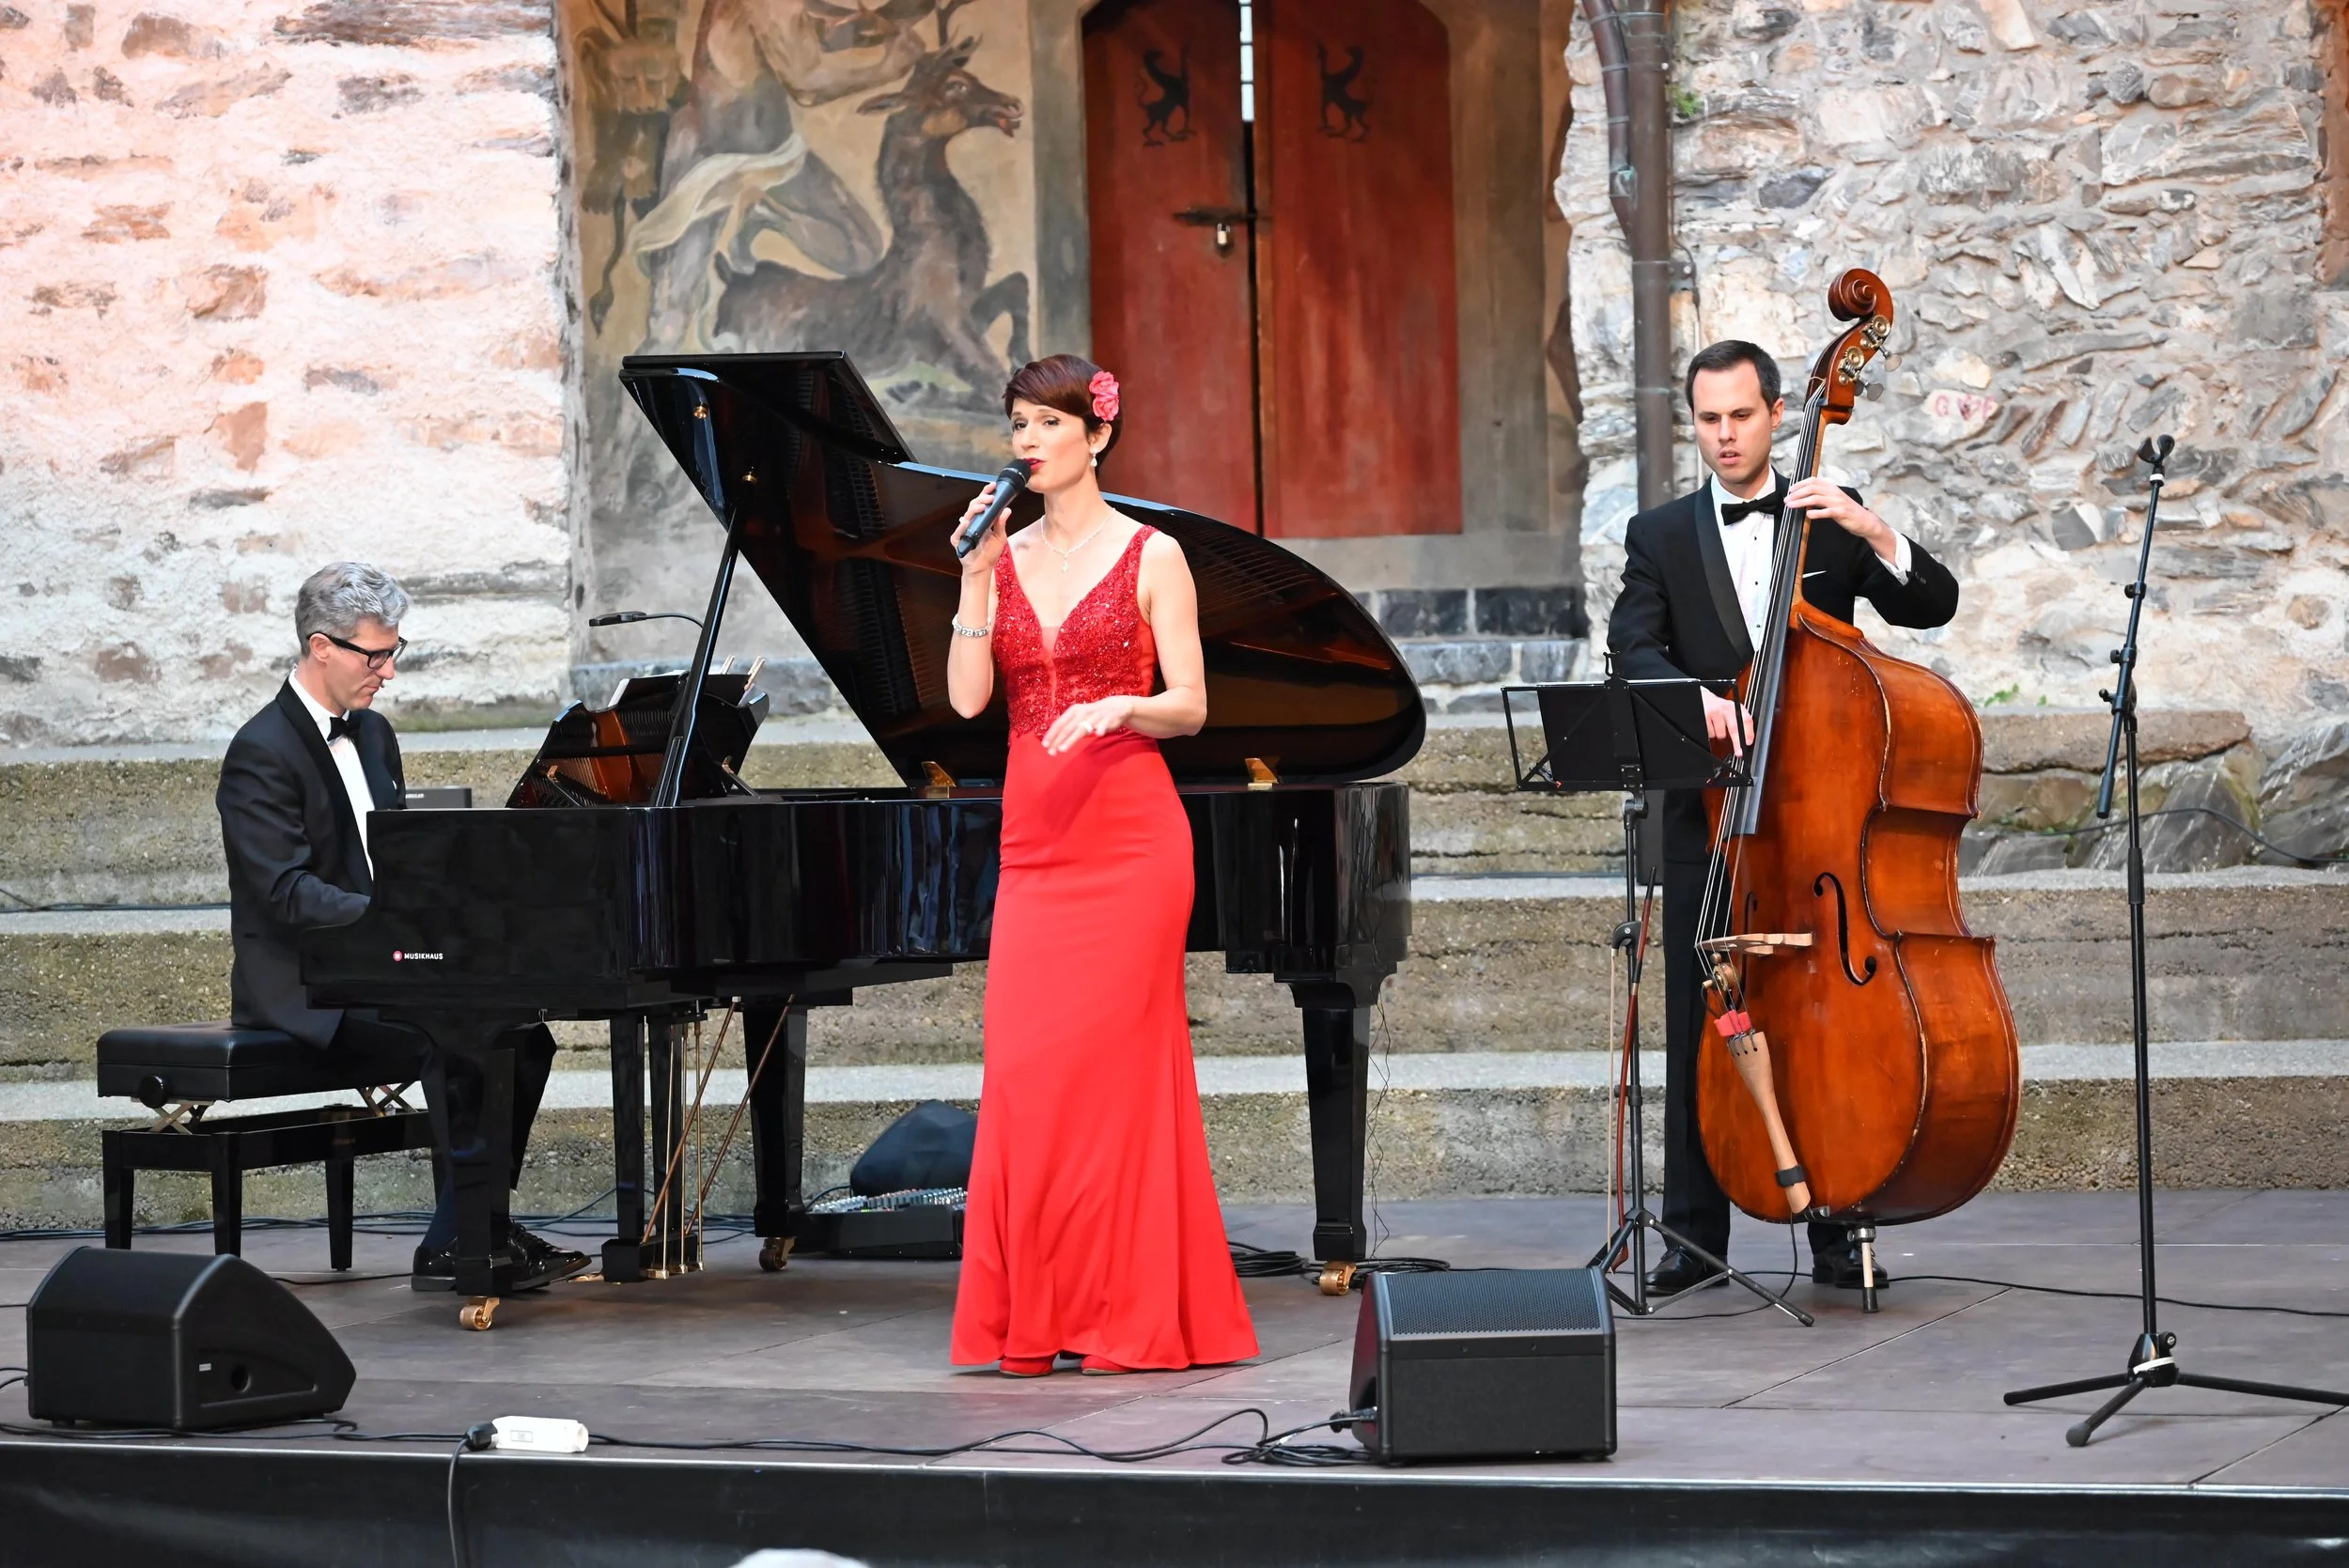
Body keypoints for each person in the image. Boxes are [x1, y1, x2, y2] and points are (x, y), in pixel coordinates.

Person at [1607, 340, 1961, 1296]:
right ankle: (1693, 1238)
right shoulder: (1661, 534)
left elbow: (1933, 606)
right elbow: (1630, 645)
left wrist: (1872, 527)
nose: (1724, 436)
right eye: (1708, 420)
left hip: (1818, 823)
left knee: (1823, 1024)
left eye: (1741, 417)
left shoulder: (1826, 525)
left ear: (1775, 416)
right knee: (1704, 1015)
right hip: (1715, 825)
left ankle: (1841, 1225)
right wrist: (1694, 699)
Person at [941, 354, 1258, 1376]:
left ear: (1097, 435)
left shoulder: (1153, 553)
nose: (1027, 441)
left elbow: (1194, 706)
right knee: (1029, 1079)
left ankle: (1125, 1314)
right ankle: (1036, 1315)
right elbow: (964, 704)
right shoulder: (1007, 552)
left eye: (1047, 423)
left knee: (1120, 1086)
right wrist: (975, 576)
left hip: (1130, 839)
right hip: (1036, 845)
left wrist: (1123, 704)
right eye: (1018, 424)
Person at [215, 562, 587, 1293]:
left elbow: (388, 860)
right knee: (447, 1037)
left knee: (524, 1034)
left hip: (379, 962)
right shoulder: (259, 752)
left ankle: (464, 1231)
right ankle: (472, 1236)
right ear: (321, 647)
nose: (387, 670)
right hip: (303, 984)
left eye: (394, 651)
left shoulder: (376, 735)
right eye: (373, 654)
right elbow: (287, 892)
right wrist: (394, 922)